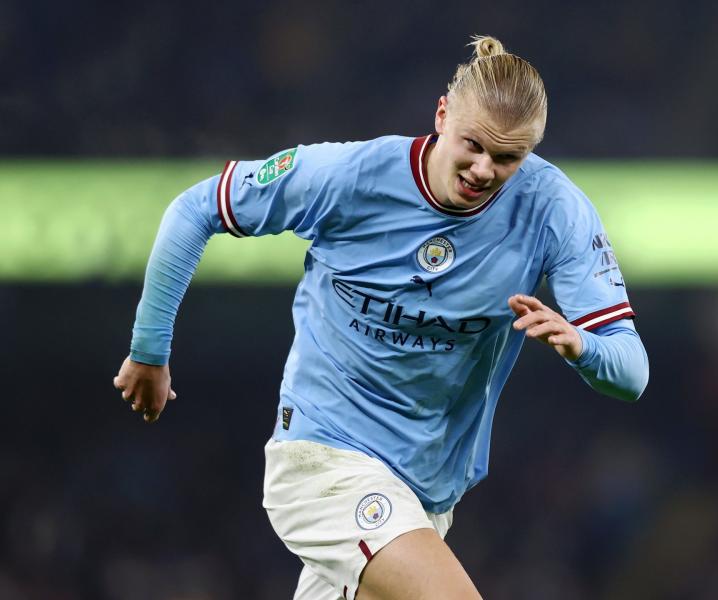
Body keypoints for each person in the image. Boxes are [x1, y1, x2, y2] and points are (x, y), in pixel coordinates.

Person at [113, 35, 648, 600]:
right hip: (323, 459)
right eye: (473, 145)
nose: (484, 169)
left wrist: (581, 346)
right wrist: (150, 350)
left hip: (426, 495)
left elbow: (632, 372)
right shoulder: (349, 176)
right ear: (442, 115)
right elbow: (196, 209)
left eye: (508, 158)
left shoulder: (552, 210)